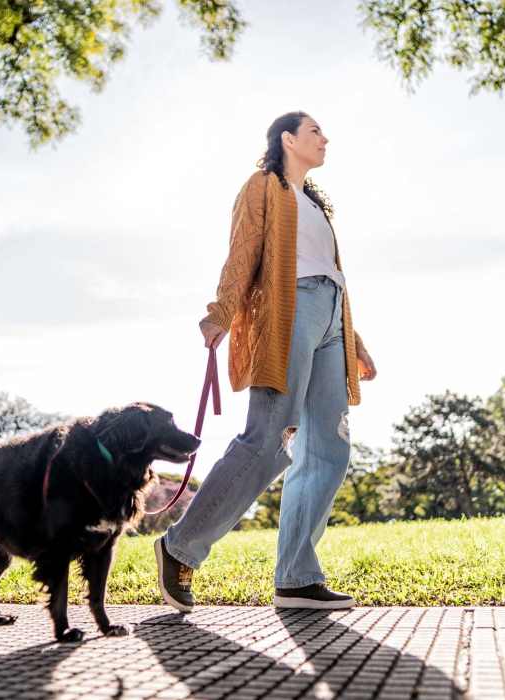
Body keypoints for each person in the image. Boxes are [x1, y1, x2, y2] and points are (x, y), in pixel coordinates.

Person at [154, 111, 377, 611]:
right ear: (287, 138)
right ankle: (179, 547)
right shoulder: (263, 187)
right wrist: (221, 313)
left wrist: (354, 340)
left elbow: (330, 275)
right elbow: (243, 252)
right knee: (269, 440)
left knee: (329, 449)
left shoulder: (317, 207)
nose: (324, 138)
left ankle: (297, 577)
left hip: (330, 321)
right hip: (287, 312)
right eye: (315, 130)